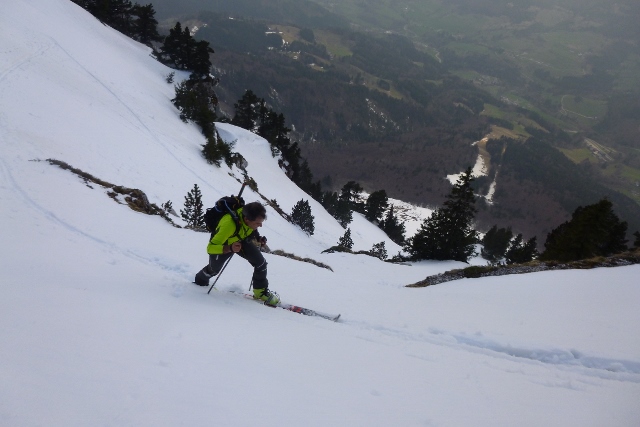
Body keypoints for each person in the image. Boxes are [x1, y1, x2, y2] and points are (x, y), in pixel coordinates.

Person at [194, 201, 279, 306]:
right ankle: (200, 280)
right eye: (257, 223)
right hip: (224, 245)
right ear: (247, 219)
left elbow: (250, 229)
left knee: (261, 263)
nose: (260, 225)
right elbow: (210, 248)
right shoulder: (229, 225)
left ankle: (260, 292)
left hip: (241, 240)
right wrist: (229, 248)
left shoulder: (248, 219)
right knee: (214, 269)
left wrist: (258, 238)